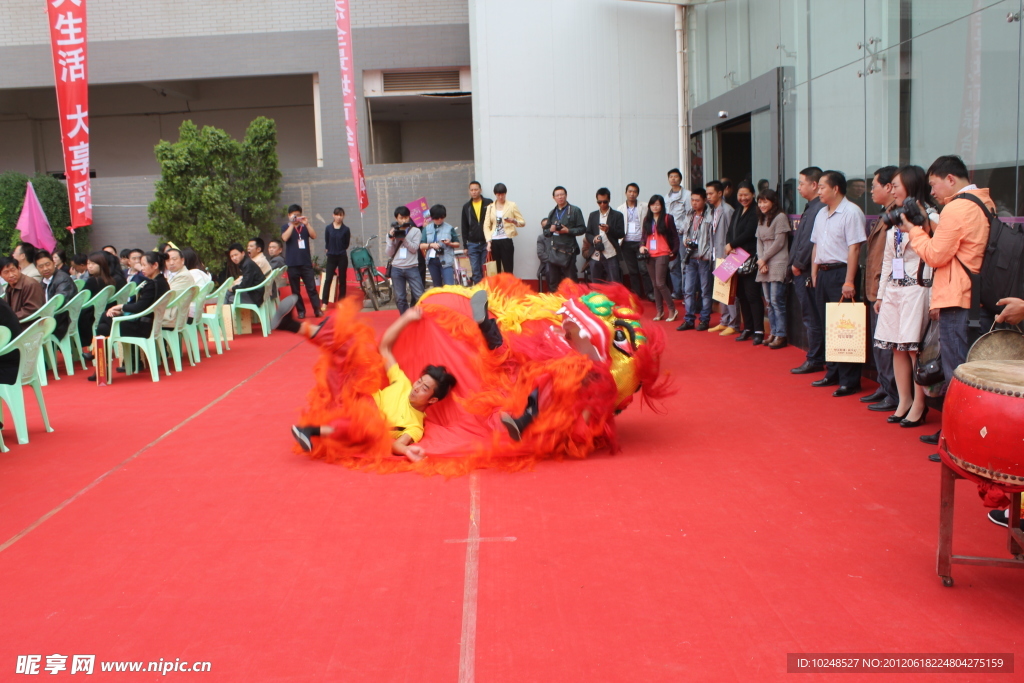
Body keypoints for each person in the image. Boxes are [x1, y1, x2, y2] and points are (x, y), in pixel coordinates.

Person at [902, 155, 994, 452]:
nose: (932, 192)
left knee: (958, 374)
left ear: (950, 179)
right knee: (967, 372)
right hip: (975, 299)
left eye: (933, 184)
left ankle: (956, 442)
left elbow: (936, 255)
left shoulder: (957, 207)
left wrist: (914, 231)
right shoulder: (984, 204)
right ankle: (953, 433)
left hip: (959, 300)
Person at [286, 304, 457, 462]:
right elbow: (385, 348)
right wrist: (406, 318)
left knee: (368, 425)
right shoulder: (403, 382)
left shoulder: (415, 426)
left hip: (360, 424)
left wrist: (406, 451)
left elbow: (397, 445)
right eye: (419, 382)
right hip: (348, 397)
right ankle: (293, 325)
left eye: (424, 388)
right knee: (351, 348)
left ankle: (310, 430)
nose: (416, 387)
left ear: (432, 400)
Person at [874, 165, 934, 428]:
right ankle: (904, 400)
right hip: (895, 290)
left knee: (913, 350)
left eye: (896, 185)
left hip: (918, 289)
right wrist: (880, 294)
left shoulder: (931, 217)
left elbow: (934, 255)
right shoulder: (895, 218)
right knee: (897, 348)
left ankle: (920, 406)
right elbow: (889, 260)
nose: (892, 190)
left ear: (910, 186)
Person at [810, 170, 868, 397]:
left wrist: (849, 280)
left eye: (822, 187)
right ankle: (832, 372)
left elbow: (855, 248)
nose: (819, 191)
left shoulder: (851, 212)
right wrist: (814, 272)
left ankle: (850, 380)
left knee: (846, 328)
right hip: (823, 274)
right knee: (828, 325)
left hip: (842, 273)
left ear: (835, 188)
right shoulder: (821, 213)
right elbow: (816, 245)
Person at [90, 252, 171, 380]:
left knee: (105, 320)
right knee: (105, 324)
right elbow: (142, 306)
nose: (141, 268)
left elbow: (140, 307)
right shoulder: (160, 282)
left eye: (144, 265)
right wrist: (122, 311)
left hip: (143, 327)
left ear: (155, 265)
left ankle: (97, 359)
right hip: (146, 323)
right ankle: (97, 358)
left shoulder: (153, 284)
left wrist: (120, 307)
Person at [861, 166, 900, 412]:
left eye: (874, 185)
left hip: (887, 289)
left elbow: (895, 258)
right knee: (879, 345)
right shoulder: (886, 214)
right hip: (876, 288)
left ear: (888, 187)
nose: (871, 191)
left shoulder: (898, 216)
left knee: (888, 346)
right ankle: (884, 386)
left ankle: (894, 392)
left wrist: (886, 289)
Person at [789, 167, 826, 373]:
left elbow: (810, 243)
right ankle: (815, 356)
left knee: (811, 316)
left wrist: (797, 264)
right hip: (802, 269)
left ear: (814, 185)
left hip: (806, 271)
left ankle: (815, 358)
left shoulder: (818, 208)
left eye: (802, 183)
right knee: (809, 315)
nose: (798, 187)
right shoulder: (811, 207)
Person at [725, 182, 764, 343]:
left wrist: (732, 244)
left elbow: (749, 232)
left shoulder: (755, 211)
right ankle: (747, 327)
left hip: (750, 257)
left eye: (746, 194)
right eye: (740, 195)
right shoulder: (738, 210)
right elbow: (730, 231)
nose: (743, 198)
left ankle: (759, 330)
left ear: (753, 194)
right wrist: (729, 245)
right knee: (740, 294)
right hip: (736, 258)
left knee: (752, 295)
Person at [754, 189, 791, 349]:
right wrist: (761, 261)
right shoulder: (761, 218)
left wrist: (763, 259)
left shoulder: (780, 217)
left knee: (777, 301)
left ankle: (781, 335)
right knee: (768, 302)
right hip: (764, 264)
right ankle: (773, 332)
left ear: (773, 202)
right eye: (760, 202)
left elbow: (779, 242)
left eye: (765, 201)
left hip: (778, 262)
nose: (762, 205)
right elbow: (759, 242)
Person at [678, 188, 715, 331]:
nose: (694, 203)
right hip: (690, 256)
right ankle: (689, 319)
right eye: (692, 200)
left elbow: (713, 236)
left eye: (697, 200)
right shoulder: (689, 214)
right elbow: (683, 231)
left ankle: (704, 319)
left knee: (705, 290)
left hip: (704, 257)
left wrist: (709, 253)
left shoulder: (710, 214)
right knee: (688, 290)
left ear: (704, 200)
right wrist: (686, 241)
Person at [639, 194, 679, 322]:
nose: (655, 207)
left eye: (657, 204)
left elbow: (674, 236)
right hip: (650, 254)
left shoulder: (667, 218)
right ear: (649, 206)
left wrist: (674, 250)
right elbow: (644, 237)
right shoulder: (647, 219)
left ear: (662, 206)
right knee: (655, 284)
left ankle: (672, 309)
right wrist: (641, 246)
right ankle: (659, 310)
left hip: (663, 253)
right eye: (652, 204)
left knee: (661, 283)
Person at [705, 180, 737, 335]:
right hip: (715, 254)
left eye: (711, 193)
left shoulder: (728, 210)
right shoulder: (712, 210)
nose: (708, 197)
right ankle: (724, 320)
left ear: (720, 193)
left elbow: (732, 234)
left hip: (727, 255)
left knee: (730, 289)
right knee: (720, 289)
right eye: (707, 194)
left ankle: (733, 322)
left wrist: (729, 253)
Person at [281, 203, 322, 319]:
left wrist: (307, 224)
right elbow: (284, 238)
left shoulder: (304, 227)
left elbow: (314, 236)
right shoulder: (285, 227)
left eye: (298, 215)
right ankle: (301, 311)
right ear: (289, 215)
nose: (296, 218)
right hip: (292, 263)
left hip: (305, 263)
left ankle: (317, 309)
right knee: (295, 290)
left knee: (311, 288)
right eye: (294, 215)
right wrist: (292, 225)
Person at [78, 251, 123, 348]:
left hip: (91, 316)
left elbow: (80, 298)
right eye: (88, 263)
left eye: (93, 264)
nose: (89, 266)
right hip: (106, 313)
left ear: (102, 265)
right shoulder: (112, 280)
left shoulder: (93, 281)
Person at [545, 186, 586, 290]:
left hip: (569, 251)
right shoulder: (552, 213)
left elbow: (582, 229)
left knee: (571, 281)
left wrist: (568, 231)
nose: (560, 197)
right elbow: (545, 232)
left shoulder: (575, 210)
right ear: (553, 197)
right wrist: (551, 229)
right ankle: (555, 304)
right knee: (553, 281)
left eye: (562, 194)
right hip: (555, 251)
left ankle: (573, 303)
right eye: (557, 195)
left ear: (566, 195)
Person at [617, 183, 652, 301]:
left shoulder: (645, 206)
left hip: (640, 241)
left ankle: (649, 293)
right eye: (630, 191)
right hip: (626, 243)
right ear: (625, 193)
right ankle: (637, 294)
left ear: (638, 193)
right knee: (632, 271)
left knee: (644, 269)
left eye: (634, 192)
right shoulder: (620, 209)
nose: (632, 194)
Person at [387, 206, 423, 313]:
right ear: (396, 218)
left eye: (406, 217)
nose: (403, 220)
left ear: (409, 217)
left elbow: (414, 249)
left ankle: (423, 317)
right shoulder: (392, 232)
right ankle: (406, 318)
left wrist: (404, 239)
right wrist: (390, 239)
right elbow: (389, 253)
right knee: (400, 298)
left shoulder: (416, 231)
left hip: (412, 268)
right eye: (401, 218)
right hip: (396, 268)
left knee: (420, 295)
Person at [586, 188, 624, 285]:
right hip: (595, 253)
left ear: (609, 200)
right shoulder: (593, 215)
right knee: (595, 284)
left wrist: (608, 230)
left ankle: (615, 300)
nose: (602, 204)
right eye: (599, 202)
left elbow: (621, 234)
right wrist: (594, 239)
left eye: (605, 202)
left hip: (611, 253)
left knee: (614, 283)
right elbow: (588, 233)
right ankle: (597, 300)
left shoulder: (617, 215)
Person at [483, 183, 523, 275]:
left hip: (506, 239)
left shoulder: (512, 205)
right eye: (498, 195)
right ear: (495, 194)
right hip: (494, 241)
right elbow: (486, 225)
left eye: (502, 194)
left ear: (505, 194)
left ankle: (508, 288)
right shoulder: (490, 207)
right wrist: (488, 242)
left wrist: (514, 221)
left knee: (508, 268)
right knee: (495, 269)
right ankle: (497, 288)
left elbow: (522, 222)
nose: (500, 197)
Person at [36, 251, 76, 340]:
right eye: (41, 266)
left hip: (62, 320)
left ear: (54, 263)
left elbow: (59, 302)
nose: (45, 268)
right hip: (51, 318)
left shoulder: (62, 279)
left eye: (47, 264)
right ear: (37, 268)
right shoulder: (43, 282)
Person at [419, 204, 460, 289]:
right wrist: (431, 245)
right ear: (433, 217)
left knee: (449, 285)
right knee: (437, 286)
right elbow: (421, 246)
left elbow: (457, 243)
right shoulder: (427, 228)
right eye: (437, 218)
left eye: (442, 217)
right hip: (432, 260)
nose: (440, 220)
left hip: (446, 259)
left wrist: (450, 243)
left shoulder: (449, 228)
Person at [665, 168, 691, 300]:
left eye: (676, 176)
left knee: (684, 263)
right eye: (671, 177)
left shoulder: (687, 195)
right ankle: (677, 291)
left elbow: (690, 215)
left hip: (682, 233)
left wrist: (684, 230)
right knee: (672, 264)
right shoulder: (666, 197)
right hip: (670, 235)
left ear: (680, 179)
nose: (673, 179)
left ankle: (687, 292)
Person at [461, 181, 493, 284]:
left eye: (476, 189)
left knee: (485, 268)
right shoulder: (466, 207)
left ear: (480, 190)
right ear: (469, 191)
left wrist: (492, 241)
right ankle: (478, 294)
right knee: (475, 270)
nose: (474, 192)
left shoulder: (488, 203)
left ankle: (486, 292)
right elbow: (464, 226)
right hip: (472, 243)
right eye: (472, 190)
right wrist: (465, 245)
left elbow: (493, 222)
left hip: (486, 242)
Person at [1, 256, 44, 329]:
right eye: (6, 272)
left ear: (19, 269)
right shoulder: (10, 286)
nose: (11, 275)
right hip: (17, 324)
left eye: (13, 270)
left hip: (30, 326)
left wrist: (10, 319)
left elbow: (32, 309)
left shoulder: (30, 284)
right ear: (1, 275)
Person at [322, 207, 351, 303]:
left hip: (342, 256)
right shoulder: (328, 228)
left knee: (342, 279)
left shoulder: (346, 229)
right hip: (331, 257)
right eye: (337, 215)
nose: (339, 217)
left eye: (341, 215)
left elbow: (346, 244)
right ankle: (325, 302)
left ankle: (341, 301)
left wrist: (339, 247)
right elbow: (327, 241)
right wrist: (329, 249)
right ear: (333, 215)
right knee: (328, 279)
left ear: (343, 216)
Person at [224, 243, 266, 307]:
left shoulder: (247, 265)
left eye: (236, 255)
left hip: (254, 297)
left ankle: (223, 315)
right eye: (232, 256)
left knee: (229, 296)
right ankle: (224, 314)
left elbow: (245, 285)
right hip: (255, 294)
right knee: (228, 293)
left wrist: (233, 288)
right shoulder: (246, 263)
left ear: (243, 253)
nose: (234, 258)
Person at [163, 248, 196, 327]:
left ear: (182, 260)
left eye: (174, 259)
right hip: (170, 314)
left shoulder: (183, 276)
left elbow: (168, 298)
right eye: (167, 260)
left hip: (172, 318)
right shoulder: (172, 274)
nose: (171, 263)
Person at [536, 218, 551, 293]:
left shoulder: (558, 236)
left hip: (560, 262)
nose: (546, 228)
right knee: (550, 269)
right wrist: (552, 260)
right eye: (544, 227)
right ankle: (551, 292)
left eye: (547, 226)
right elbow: (540, 254)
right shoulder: (541, 238)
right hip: (547, 263)